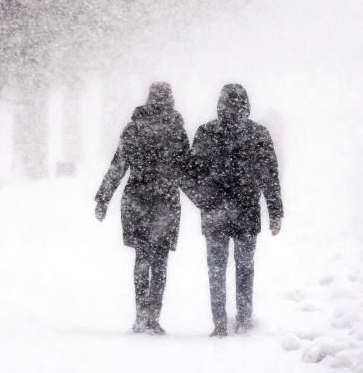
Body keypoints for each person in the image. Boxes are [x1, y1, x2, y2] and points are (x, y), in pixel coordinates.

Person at [95, 82, 190, 335]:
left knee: (142, 258)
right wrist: (204, 201)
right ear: (170, 99)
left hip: (137, 196)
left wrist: (103, 198)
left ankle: (140, 315)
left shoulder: (134, 127)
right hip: (165, 200)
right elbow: (186, 171)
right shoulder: (176, 129)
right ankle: (153, 318)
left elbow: (119, 165)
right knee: (160, 261)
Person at [189, 84, 283, 337]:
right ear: (247, 105)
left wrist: (202, 197)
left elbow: (191, 172)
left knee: (217, 269)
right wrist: (275, 211)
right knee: (245, 267)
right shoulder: (258, 133)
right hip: (246, 209)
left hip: (215, 211)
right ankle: (244, 317)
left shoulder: (207, 132)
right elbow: (269, 176)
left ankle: (220, 321)